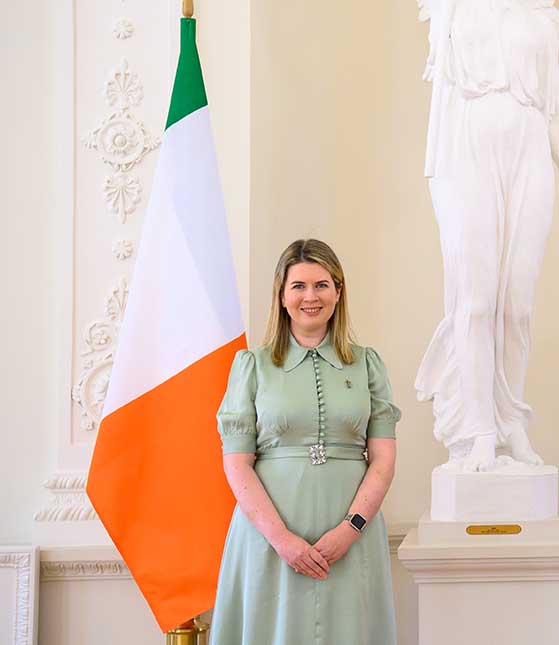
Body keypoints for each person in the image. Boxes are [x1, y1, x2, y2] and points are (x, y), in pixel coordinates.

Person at [208, 239, 401, 645]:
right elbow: (236, 463)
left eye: (321, 285)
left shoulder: (368, 364)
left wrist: (350, 530)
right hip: (268, 540)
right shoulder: (252, 366)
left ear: (338, 291)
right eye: (298, 286)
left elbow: (383, 460)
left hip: (352, 540)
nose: (310, 297)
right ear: (281, 295)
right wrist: (282, 539)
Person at [415, 0, 558, 471]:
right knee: (476, 301)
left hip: (532, 143)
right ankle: (479, 430)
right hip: (468, 144)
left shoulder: (544, 14)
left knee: (517, 304)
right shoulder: (450, 8)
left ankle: (511, 421)